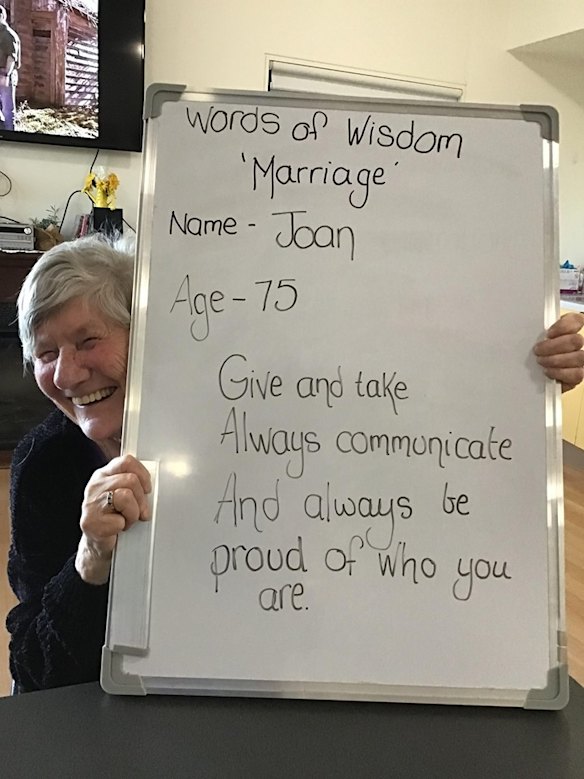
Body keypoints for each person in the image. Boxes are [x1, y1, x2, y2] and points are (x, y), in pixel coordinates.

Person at [6, 233, 584, 693]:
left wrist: (525, 384)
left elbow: (403, 438)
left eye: (88, 341)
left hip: (292, 674)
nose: (67, 374)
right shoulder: (46, 465)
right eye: (47, 354)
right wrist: (90, 562)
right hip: (142, 709)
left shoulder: (251, 419)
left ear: (148, 333)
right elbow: (35, 672)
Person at [0, 5, 20, 131]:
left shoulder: (8, 35)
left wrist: (5, 75)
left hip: (5, 74)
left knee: (8, 110)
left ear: (1, 16)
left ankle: (11, 138)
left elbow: (11, 57)